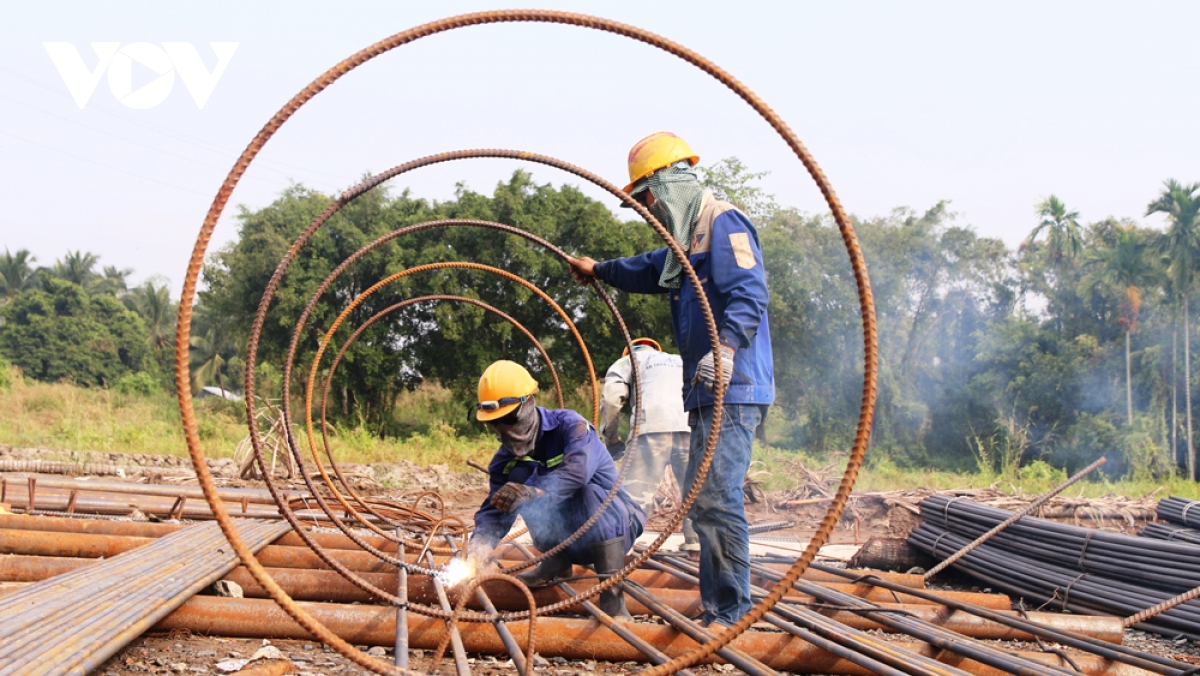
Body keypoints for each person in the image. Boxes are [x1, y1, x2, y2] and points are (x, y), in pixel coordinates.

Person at [567, 131, 774, 628]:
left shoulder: (723, 222)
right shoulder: (684, 246)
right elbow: (647, 269)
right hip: (704, 392)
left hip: (734, 384)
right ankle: (719, 606)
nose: (648, 208)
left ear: (669, 183)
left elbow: (750, 291)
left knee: (716, 496)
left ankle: (731, 613)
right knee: (704, 499)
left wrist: (725, 351)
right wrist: (598, 269)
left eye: (648, 196)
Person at [465, 360, 646, 618]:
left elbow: (578, 472)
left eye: (509, 418)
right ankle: (557, 562)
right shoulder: (504, 462)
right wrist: (478, 549)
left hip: (616, 527)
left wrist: (533, 493)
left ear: (529, 403)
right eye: (496, 423)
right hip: (571, 539)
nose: (505, 429)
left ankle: (612, 599)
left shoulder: (571, 427)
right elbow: (495, 512)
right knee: (516, 490)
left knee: (586, 492)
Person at [599, 337, 699, 552]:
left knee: (635, 494)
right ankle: (696, 545)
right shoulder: (678, 360)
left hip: (650, 428)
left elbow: (611, 399)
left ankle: (621, 549)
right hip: (689, 427)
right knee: (694, 492)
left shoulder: (628, 360)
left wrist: (611, 438)